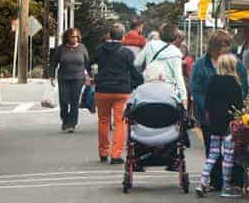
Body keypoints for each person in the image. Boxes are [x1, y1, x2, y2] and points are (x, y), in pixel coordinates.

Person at [190, 30, 249, 189]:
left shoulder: (236, 63)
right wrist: (210, 107)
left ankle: (234, 180)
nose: (227, 48)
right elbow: (196, 89)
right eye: (223, 45)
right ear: (214, 47)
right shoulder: (201, 64)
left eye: (228, 45)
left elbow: (243, 86)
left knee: (234, 148)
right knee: (212, 148)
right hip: (209, 115)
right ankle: (216, 181)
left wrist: (235, 107)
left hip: (231, 115)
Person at [90, 22, 144, 163]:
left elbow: (88, 63)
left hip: (102, 89)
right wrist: (141, 82)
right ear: (123, 37)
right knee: (120, 122)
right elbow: (133, 71)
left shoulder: (100, 49)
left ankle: (103, 152)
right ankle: (116, 155)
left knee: (103, 121)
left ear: (110, 34)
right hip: (121, 90)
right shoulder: (127, 52)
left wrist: (91, 76)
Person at [195, 52, 243, 198]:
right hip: (229, 123)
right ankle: (226, 186)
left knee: (213, 153)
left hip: (214, 122)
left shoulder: (212, 80)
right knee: (228, 155)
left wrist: (210, 116)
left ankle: (203, 181)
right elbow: (238, 106)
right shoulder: (235, 83)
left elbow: (208, 102)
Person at [49, 27, 90, 133]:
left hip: (78, 78)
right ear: (67, 37)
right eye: (72, 36)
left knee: (74, 102)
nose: (75, 39)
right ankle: (65, 120)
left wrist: (88, 76)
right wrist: (52, 76)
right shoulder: (60, 49)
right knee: (64, 101)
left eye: (76, 36)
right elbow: (53, 63)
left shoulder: (82, 48)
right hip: (64, 78)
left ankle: (72, 124)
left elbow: (87, 63)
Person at [136, 22, 187, 104]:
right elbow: (178, 77)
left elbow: (137, 63)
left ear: (160, 34)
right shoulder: (176, 52)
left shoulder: (150, 45)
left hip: (149, 88)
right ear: (175, 37)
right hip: (169, 92)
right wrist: (184, 97)